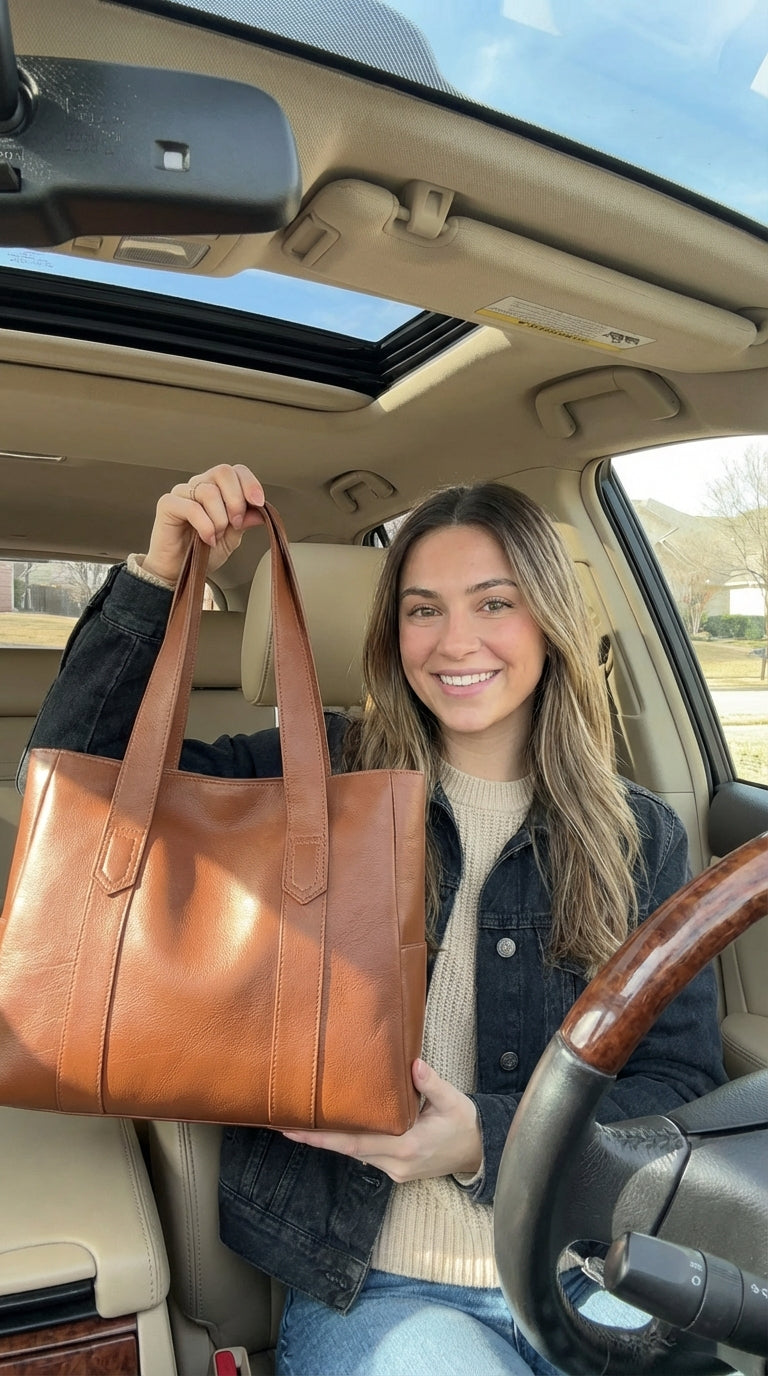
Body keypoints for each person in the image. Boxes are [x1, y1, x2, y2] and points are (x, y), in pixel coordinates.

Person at [22, 464, 727, 1376]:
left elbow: (679, 1087)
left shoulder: (640, 835)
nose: (456, 641)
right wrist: (157, 578)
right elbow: (77, 784)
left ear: (549, 619)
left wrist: (487, 1138)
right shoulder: (310, 779)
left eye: (494, 603)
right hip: (381, 1289)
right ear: (393, 634)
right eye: (423, 610)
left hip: (593, 1268)